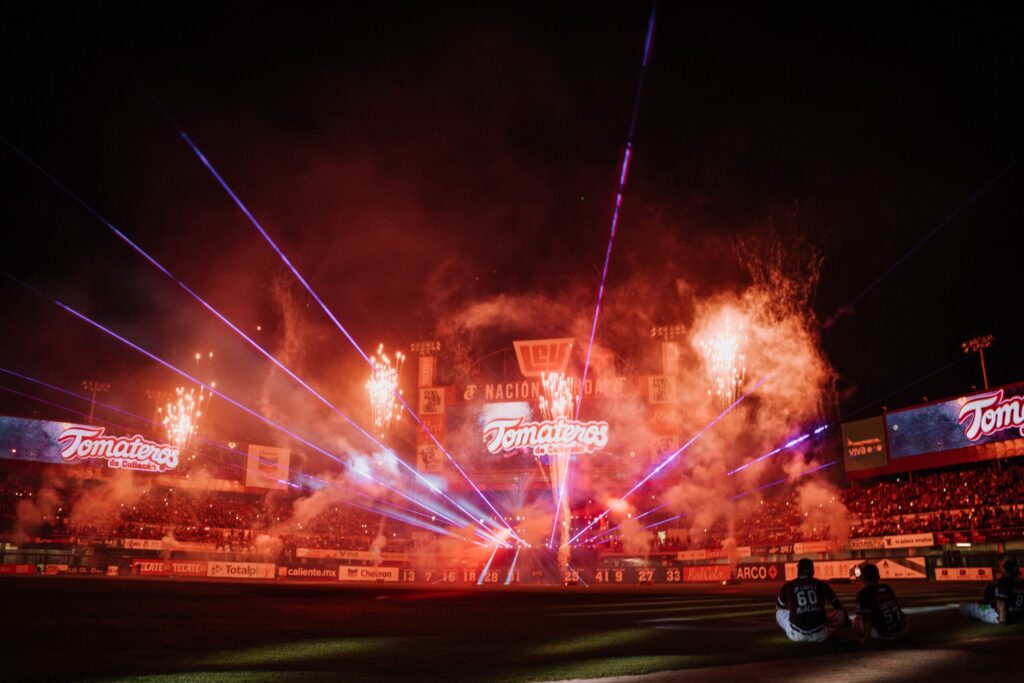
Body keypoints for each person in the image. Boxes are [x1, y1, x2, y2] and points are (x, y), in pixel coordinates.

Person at [776, 558, 851, 642]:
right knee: (841, 612)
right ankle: (830, 630)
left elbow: (779, 607)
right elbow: (838, 606)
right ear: (812, 571)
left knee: (780, 612)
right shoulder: (822, 584)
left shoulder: (788, 586)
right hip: (821, 634)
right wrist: (846, 620)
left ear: (798, 570)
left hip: (796, 635)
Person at [854, 562, 908, 642]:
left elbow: (867, 617)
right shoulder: (887, 587)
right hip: (899, 630)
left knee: (857, 619)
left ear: (865, 577)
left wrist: (867, 637)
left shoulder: (863, 593)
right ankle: (901, 632)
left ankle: (869, 637)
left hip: (883, 633)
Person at [995, 559, 1023, 625]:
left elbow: (1002, 603)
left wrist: (1002, 621)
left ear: (1006, 571)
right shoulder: (1022, 582)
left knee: (973, 608)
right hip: (1022, 615)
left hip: (1008, 616)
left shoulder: (1003, 582)